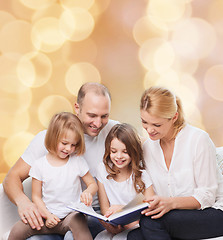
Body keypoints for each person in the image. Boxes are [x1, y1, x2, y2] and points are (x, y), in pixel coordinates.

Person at [3, 82, 118, 240]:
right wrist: (24, 203)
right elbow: (12, 178)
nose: (98, 123)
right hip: (50, 214)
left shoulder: (115, 133)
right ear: (77, 108)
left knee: (74, 233)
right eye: (92, 115)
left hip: (90, 213)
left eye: (104, 116)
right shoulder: (47, 139)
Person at [127, 86, 223, 240]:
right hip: (179, 216)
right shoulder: (148, 148)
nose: (149, 130)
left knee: (151, 223)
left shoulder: (198, 140)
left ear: (174, 117)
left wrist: (170, 203)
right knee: (134, 237)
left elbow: (207, 196)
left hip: (218, 213)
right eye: (144, 122)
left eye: (157, 125)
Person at [8, 112, 98, 240]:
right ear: (53, 137)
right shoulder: (40, 165)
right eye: (65, 143)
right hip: (47, 217)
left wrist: (88, 192)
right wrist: (47, 215)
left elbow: (92, 184)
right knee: (18, 229)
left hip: (71, 216)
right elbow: (36, 197)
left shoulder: (77, 161)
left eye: (73, 145)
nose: (68, 149)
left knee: (79, 222)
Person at [95, 123, 155, 240]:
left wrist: (121, 208)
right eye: (113, 151)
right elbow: (104, 209)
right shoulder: (102, 169)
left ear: (133, 151)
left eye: (125, 152)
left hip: (137, 227)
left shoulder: (142, 175)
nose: (119, 156)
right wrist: (110, 224)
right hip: (114, 225)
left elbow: (150, 209)